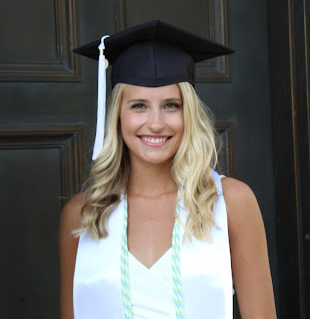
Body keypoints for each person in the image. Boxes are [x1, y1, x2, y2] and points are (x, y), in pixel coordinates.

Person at [59, 20, 277, 319]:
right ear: (117, 115)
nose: (156, 123)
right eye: (138, 106)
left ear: (188, 113)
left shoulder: (230, 202)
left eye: (171, 105)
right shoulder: (84, 213)